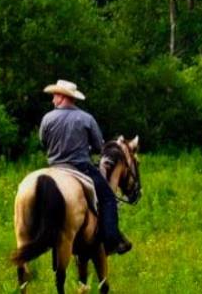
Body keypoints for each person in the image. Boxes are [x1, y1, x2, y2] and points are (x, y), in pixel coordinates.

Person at [39, 79, 132, 255]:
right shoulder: (86, 118)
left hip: (54, 168)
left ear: (62, 97)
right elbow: (99, 147)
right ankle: (112, 241)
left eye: (54, 96)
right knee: (108, 199)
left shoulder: (47, 118)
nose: (53, 100)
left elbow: (43, 142)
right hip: (80, 167)